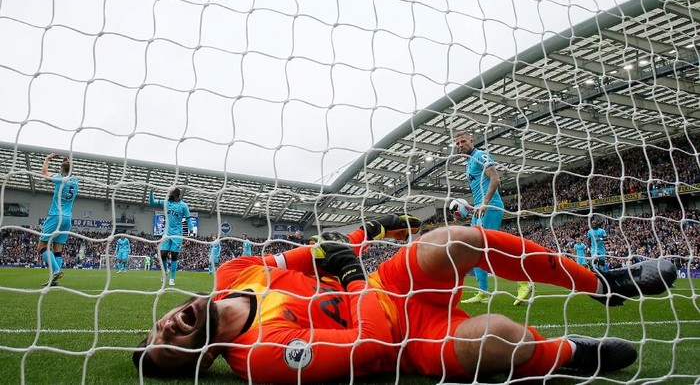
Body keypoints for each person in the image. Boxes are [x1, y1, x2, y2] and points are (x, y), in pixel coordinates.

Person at [132, 214, 677, 383]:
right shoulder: (262, 358)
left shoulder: (235, 271)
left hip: (392, 284)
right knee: (496, 337)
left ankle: (606, 283)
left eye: (155, 330)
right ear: (203, 357)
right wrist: (352, 283)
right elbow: (369, 343)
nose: (166, 329)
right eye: (168, 347)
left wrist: (369, 232)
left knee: (459, 238)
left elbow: (324, 250)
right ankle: (572, 354)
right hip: (405, 339)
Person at [454, 131, 534, 306]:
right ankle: (483, 293)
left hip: (490, 207)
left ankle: (523, 281)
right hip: (479, 209)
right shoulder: (469, 162)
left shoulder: (480, 155)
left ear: (471, 141)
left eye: (463, 141)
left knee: (489, 249)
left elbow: (495, 179)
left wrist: (484, 202)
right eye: (457, 143)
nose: (460, 145)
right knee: (474, 250)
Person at [37, 153, 79, 287]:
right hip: (68, 218)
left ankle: (56, 270)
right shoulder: (75, 181)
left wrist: (47, 159)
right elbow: (69, 170)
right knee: (57, 248)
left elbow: (44, 172)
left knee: (42, 246)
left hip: (55, 216)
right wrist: (67, 163)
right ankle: (53, 280)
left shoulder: (60, 179)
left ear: (62, 169)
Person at [149, 188, 193, 286]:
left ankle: (172, 278)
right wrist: (151, 192)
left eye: (170, 193)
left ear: (176, 194)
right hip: (167, 232)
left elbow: (189, 219)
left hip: (177, 233)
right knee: (163, 254)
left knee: (174, 255)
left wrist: (191, 231)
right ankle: (165, 271)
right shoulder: (166, 203)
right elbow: (152, 202)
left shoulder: (184, 206)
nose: (169, 194)